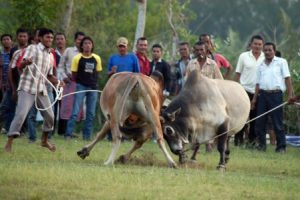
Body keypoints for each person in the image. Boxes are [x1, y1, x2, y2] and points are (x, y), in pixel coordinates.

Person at [4, 28, 65, 152]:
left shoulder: (50, 55)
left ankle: (44, 140)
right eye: (47, 37)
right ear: (40, 38)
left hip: (41, 89)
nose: (50, 40)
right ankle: (9, 143)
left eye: (51, 38)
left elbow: (49, 75)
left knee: (50, 116)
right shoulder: (33, 48)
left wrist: (58, 82)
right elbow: (20, 66)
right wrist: (26, 63)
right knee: (21, 114)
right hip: (27, 87)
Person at [252, 42, 293, 153]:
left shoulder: (281, 62)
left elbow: (288, 79)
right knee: (260, 122)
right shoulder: (260, 65)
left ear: (274, 51)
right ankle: (261, 146)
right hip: (263, 95)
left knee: (277, 122)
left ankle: (281, 147)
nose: (267, 52)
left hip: (276, 95)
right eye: (265, 50)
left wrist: (290, 96)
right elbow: (257, 84)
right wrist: (254, 99)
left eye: (270, 50)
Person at [185, 41, 223, 152]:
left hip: (209, 98)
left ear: (206, 51)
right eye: (197, 50)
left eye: (202, 50)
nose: (199, 52)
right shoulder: (191, 64)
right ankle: (195, 143)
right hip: (194, 98)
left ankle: (209, 143)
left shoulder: (213, 64)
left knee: (209, 121)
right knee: (195, 121)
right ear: (194, 51)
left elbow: (220, 81)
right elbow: (186, 81)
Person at [65, 36, 102, 140]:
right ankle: (68, 134)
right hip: (80, 86)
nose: (87, 45)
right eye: (85, 43)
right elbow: (74, 73)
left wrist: (93, 82)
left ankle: (87, 136)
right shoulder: (77, 58)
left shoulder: (96, 58)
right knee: (75, 111)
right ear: (81, 46)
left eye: (89, 43)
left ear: (92, 45)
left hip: (93, 87)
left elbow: (98, 72)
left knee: (90, 113)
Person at [235, 35, 265, 147]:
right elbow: (238, 74)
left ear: (262, 45)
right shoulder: (243, 56)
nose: (257, 46)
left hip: (259, 92)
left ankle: (251, 141)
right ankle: (238, 140)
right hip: (243, 90)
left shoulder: (265, 57)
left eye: (259, 44)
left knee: (255, 118)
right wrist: (234, 88)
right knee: (241, 117)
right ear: (251, 44)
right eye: (255, 44)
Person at [0, 28, 29, 134]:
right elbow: (11, 69)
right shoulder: (14, 50)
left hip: (26, 84)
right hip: (14, 83)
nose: (22, 38)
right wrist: (12, 86)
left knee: (24, 108)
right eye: (20, 36)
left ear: (27, 37)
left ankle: (23, 129)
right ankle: (8, 128)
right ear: (17, 37)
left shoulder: (31, 49)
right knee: (9, 106)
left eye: (24, 36)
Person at [57, 31, 85, 136]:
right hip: (69, 82)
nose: (81, 42)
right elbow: (60, 66)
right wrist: (64, 77)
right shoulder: (69, 51)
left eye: (83, 40)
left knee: (78, 107)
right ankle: (63, 131)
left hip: (81, 84)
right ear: (75, 40)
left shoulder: (86, 53)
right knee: (66, 107)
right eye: (79, 39)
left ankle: (71, 131)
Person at [0, 34, 13, 102]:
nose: (6, 41)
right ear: (1, 42)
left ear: (11, 41)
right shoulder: (0, 55)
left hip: (13, 84)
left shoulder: (15, 53)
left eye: (8, 39)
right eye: (4, 39)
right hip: (3, 85)